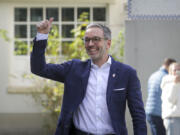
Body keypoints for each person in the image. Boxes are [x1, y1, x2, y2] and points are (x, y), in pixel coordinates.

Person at [31, 17, 147, 135]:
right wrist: (42, 36)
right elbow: (39, 68)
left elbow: (138, 115)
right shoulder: (73, 69)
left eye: (96, 39)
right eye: (87, 40)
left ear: (108, 43)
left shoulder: (126, 73)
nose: (90, 44)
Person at [145, 58, 176, 135]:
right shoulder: (167, 77)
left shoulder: (153, 75)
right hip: (159, 113)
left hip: (149, 112)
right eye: (174, 68)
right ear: (169, 66)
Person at [161, 63, 180, 135]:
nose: (177, 72)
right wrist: (175, 84)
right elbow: (171, 99)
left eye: (179, 70)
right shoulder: (167, 83)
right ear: (170, 72)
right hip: (172, 117)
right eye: (175, 70)